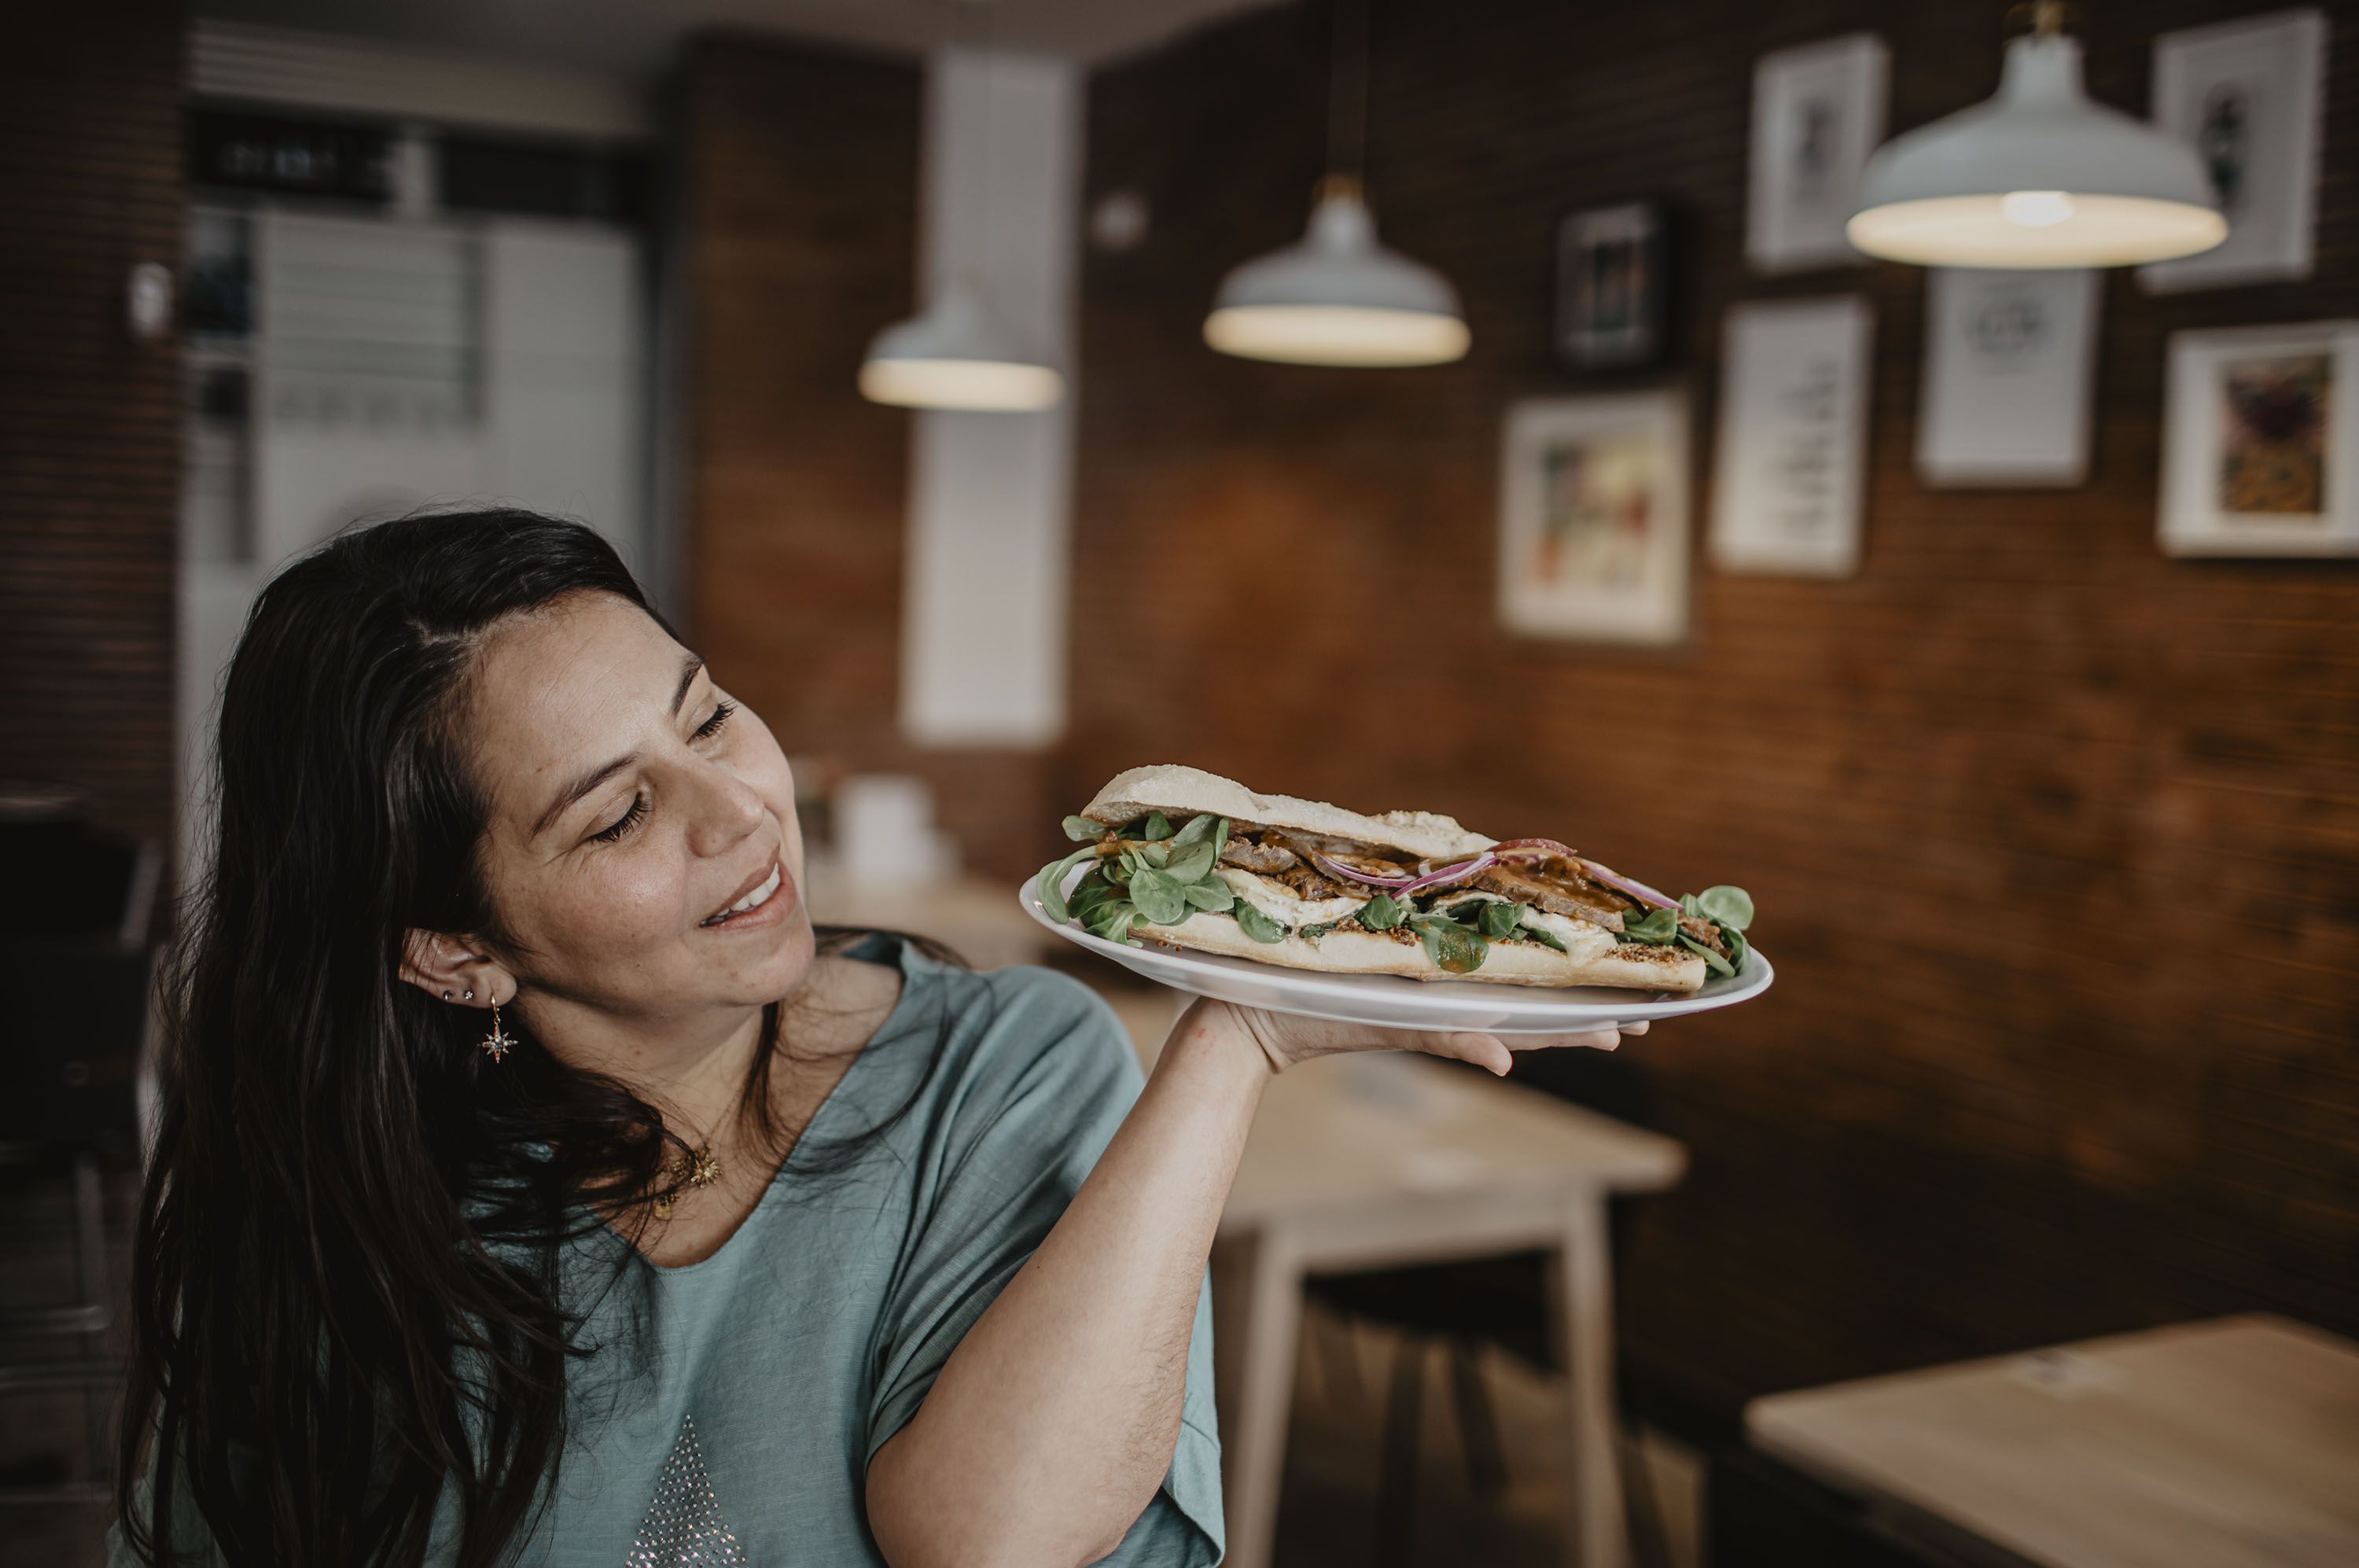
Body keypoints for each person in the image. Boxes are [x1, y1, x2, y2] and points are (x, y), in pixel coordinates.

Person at [112, 509, 1637, 1566]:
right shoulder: (339, 1207)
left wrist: (1230, 1041)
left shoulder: (1004, 1063)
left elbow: (991, 1540)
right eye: (620, 810)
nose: (741, 813)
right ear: (454, 951)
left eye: (707, 718)